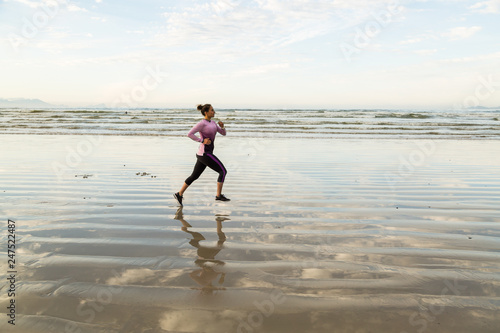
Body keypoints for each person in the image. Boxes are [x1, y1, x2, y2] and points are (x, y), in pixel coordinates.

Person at [174, 104, 230, 206]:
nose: (214, 112)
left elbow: (223, 133)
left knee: (194, 176)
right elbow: (190, 134)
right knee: (223, 171)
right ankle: (218, 195)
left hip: (205, 154)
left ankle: (179, 194)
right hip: (204, 153)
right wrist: (202, 140)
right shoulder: (202, 124)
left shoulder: (213, 123)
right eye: (212, 110)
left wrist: (222, 127)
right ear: (206, 112)